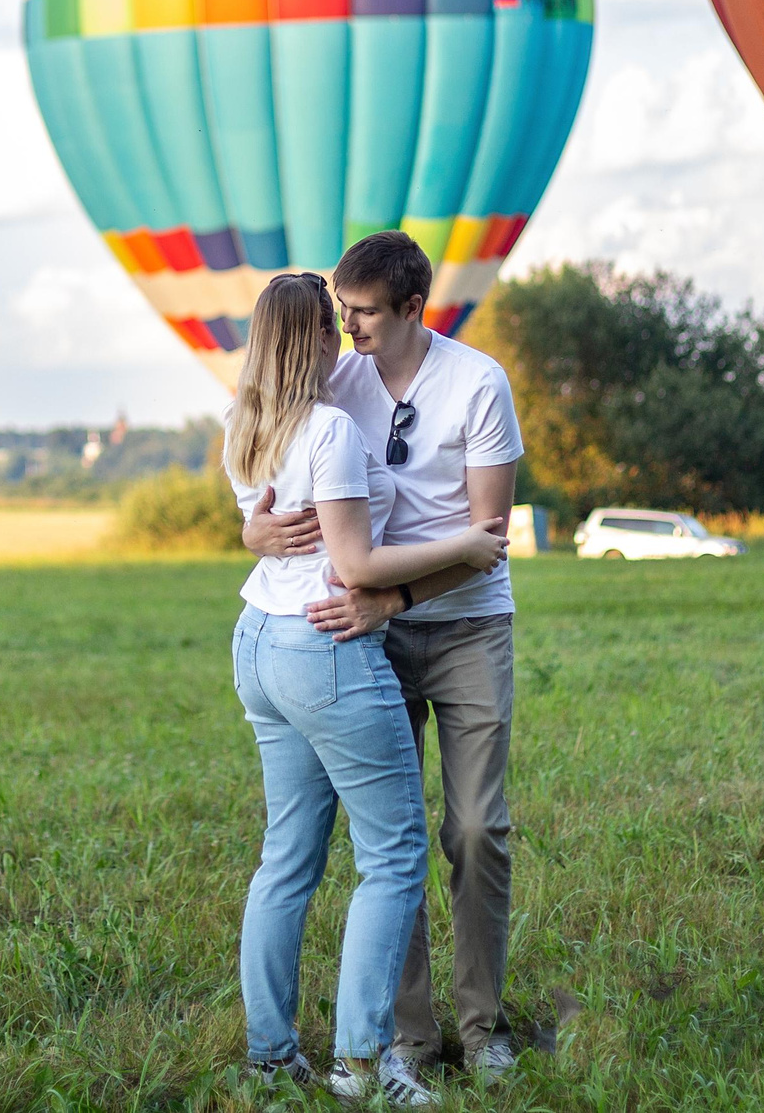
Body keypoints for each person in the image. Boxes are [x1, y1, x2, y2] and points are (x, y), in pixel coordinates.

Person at [244, 231, 526, 1084]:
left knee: (474, 827)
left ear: (413, 307)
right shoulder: (336, 380)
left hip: (467, 625)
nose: (346, 324)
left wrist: (393, 595)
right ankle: (408, 1034)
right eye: (341, 310)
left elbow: (488, 538)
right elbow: (272, 464)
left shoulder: (479, 383)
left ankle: (482, 1028)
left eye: (362, 311)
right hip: (362, 633)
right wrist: (252, 529)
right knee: (388, 834)